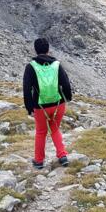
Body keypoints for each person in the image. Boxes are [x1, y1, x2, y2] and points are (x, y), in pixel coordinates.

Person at [23, 38, 73, 169]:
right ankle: (62, 156)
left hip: (40, 107)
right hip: (58, 104)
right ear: (48, 49)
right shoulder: (56, 65)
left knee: (41, 132)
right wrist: (68, 97)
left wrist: (29, 107)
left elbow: (26, 89)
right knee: (55, 128)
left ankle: (39, 161)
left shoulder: (30, 67)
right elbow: (66, 83)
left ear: (35, 49)